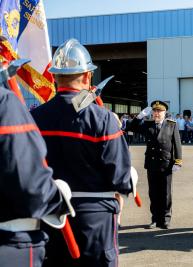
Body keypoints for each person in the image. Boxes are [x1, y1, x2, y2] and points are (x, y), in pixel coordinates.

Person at [31, 38, 132, 266]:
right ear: (87, 77)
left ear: (54, 77)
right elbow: (120, 176)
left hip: (50, 217)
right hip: (95, 219)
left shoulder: (35, 118)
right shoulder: (103, 118)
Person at [0, 81, 71, 266]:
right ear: (87, 77)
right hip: (10, 240)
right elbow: (31, 187)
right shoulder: (5, 102)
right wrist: (58, 198)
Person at [128, 100, 182, 229]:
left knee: (166, 193)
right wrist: (139, 117)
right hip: (152, 163)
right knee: (153, 192)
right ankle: (155, 218)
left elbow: (177, 144)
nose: (156, 113)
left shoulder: (171, 125)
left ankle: (165, 219)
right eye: (155, 111)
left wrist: (178, 161)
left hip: (166, 163)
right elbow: (130, 128)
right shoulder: (147, 124)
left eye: (159, 111)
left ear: (164, 113)